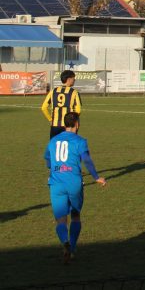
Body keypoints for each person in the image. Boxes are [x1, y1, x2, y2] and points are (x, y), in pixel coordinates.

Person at [45, 111, 106, 263]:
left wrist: (53, 168)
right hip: (74, 182)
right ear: (77, 124)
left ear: (64, 124)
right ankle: (71, 248)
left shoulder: (53, 141)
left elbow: (47, 159)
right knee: (75, 215)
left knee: (60, 219)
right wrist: (96, 177)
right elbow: (87, 160)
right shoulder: (80, 141)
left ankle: (65, 241)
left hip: (56, 183)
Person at [42, 70, 82, 139]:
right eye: (73, 78)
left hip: (55, 125)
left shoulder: (53, 91)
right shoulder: (74, 92)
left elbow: (44, 107)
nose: (74, 80)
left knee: (55, 147)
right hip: (69, 126)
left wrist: (50, 119)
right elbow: (78, 110)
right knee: (69, 147)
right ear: (69, 79)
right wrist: (74, 122)